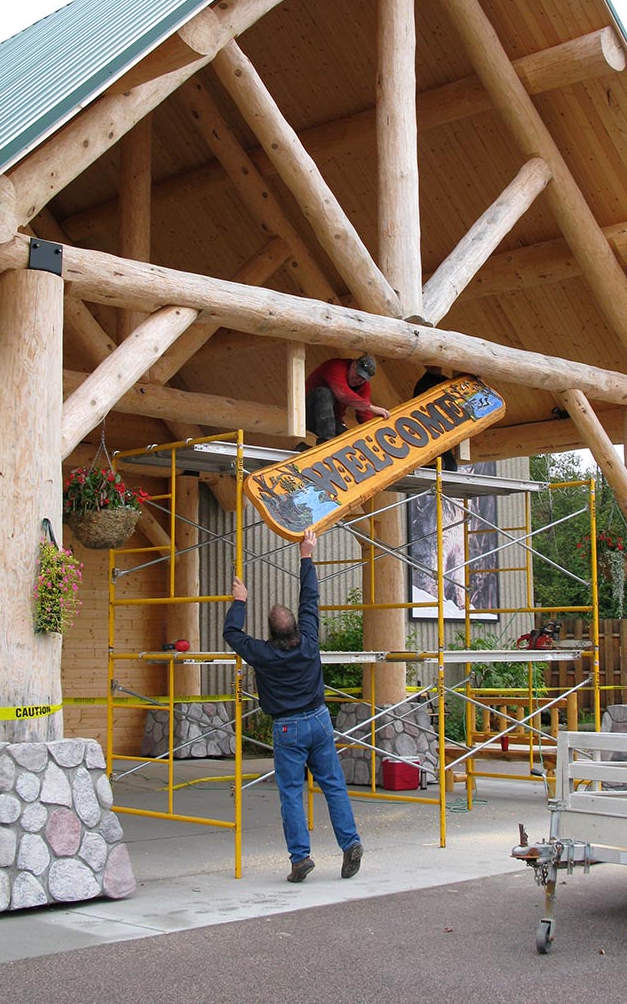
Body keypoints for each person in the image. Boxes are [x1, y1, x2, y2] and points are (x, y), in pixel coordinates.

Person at [223, 528, 363, 883]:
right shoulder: (309, 641)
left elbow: (232, 636)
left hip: (287, 727)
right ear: (297, 628)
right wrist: (306, 554)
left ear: (270, 633)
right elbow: (310, 599)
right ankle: (350, 843)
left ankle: (301, 859)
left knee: (290, 793)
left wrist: (240, 600)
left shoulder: (263, 654)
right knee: (333, 784)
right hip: (318, 720)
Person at [303, 354, 390, 446]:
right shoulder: (336, 366)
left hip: (330, 422)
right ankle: (326, 443)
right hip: (307, 412)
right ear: (353, 364)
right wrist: (371, 407)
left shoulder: (364, 386)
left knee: (350, 442)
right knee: (324, 393)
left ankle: (305, 448)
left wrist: (373, 431)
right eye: (358, 374)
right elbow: (342, 393)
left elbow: (364, 415)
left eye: (362, 379)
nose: (357, 380)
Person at [413, 366, 459, 472]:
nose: (436, 368)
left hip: (441, 423)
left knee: (450, 465)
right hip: (431, 423)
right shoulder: (424, 383)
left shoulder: (442, 380)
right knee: (443, 461)